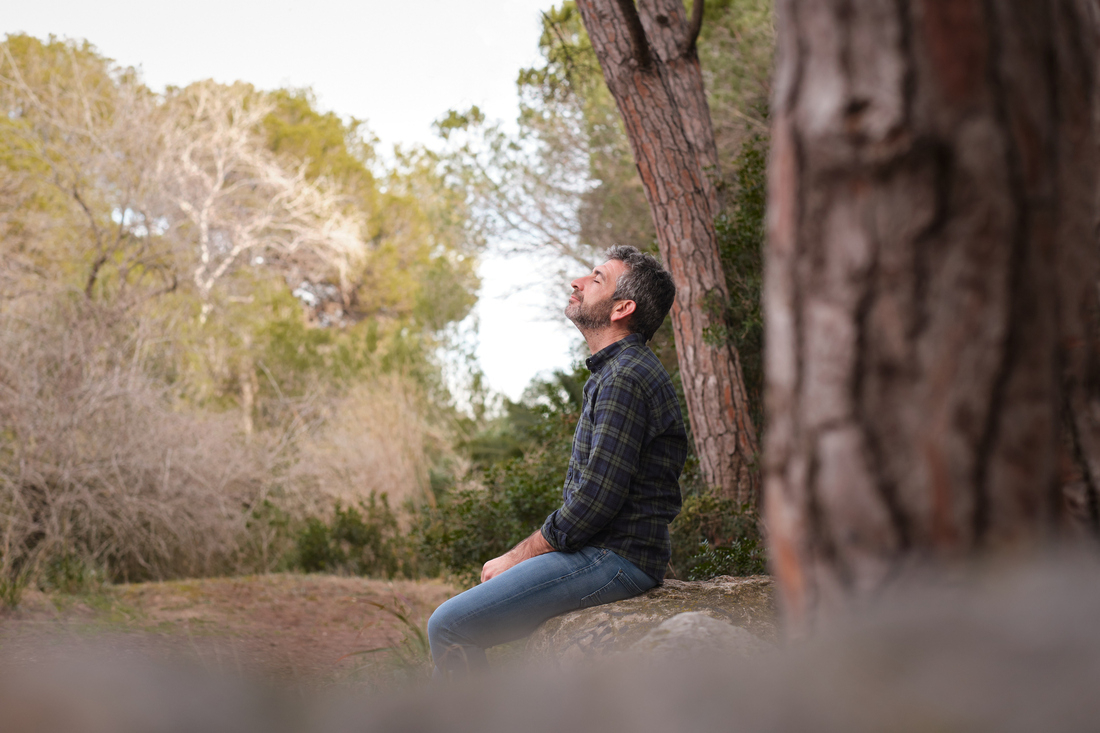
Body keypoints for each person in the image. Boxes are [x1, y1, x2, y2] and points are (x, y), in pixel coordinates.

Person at [426, 245, 688, 676]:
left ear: (623, 307)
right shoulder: (616, 372)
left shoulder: (625, 378)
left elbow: (594, 503)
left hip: (614, 558)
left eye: (596, 278)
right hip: (608, 553)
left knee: (449, 625)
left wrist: (516, 558)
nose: (577, 282)